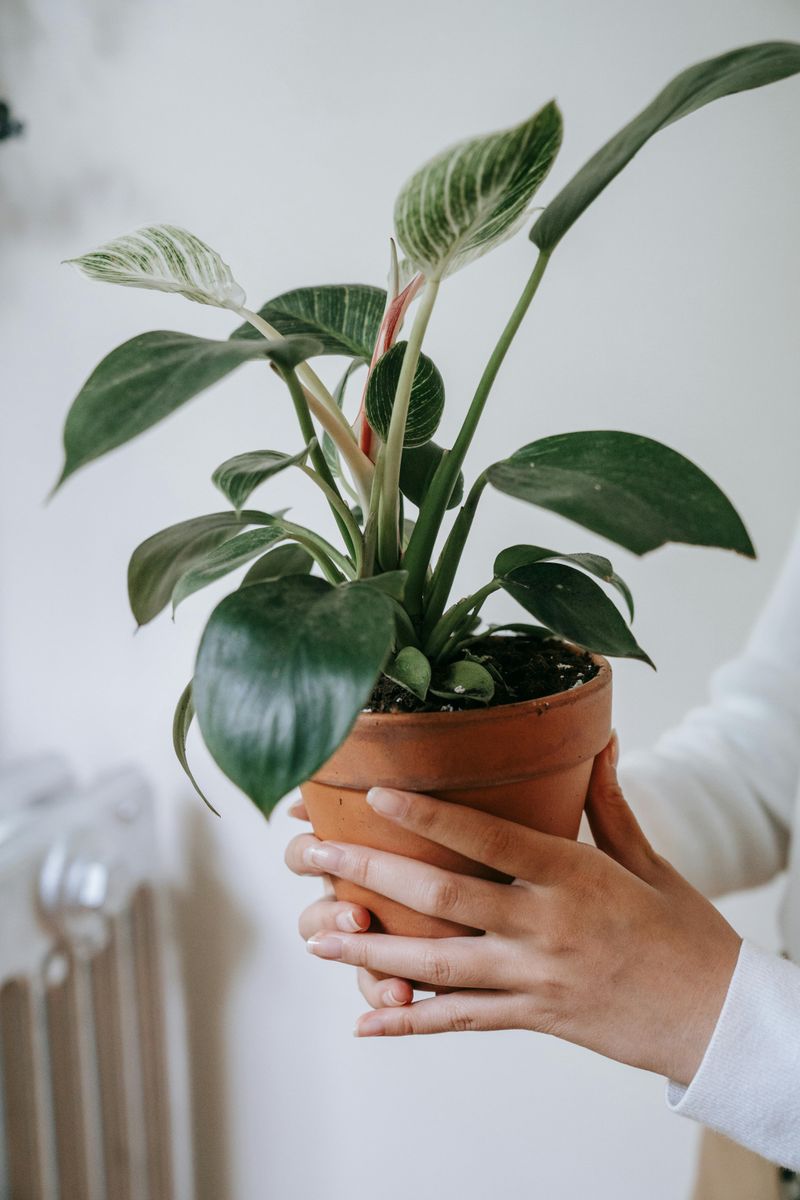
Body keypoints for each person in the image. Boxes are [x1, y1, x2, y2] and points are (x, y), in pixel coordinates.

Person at [285, 522, 800, 1186]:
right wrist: (525, 858)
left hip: (748, 1074)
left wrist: (710, 1015)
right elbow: (771, 759)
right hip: (753, 1139)